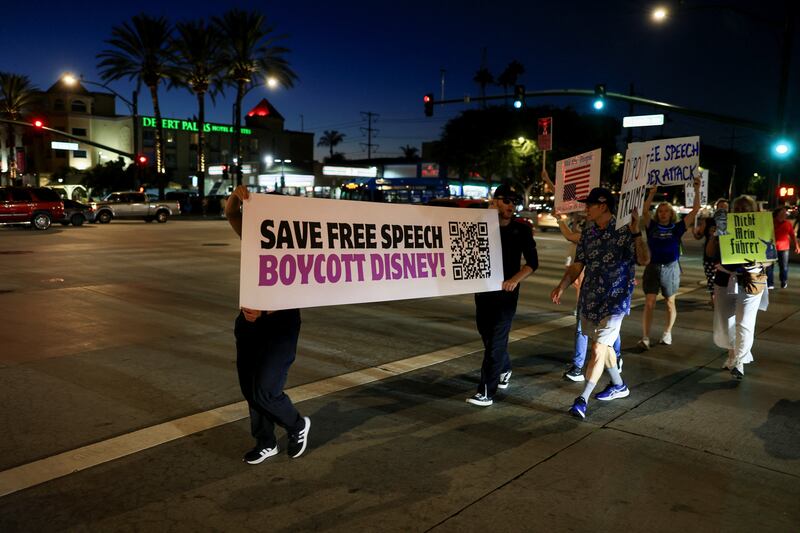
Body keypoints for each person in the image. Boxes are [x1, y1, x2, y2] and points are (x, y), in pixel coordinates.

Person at [225, 186, 311, 464]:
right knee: (250, 389)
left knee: (265, 389)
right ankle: (265, 441)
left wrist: (270, 308)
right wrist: (237, 195)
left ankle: (297, 424)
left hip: (280, 325)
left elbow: (315, 286)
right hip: (248, 323)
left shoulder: (302, 245)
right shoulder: (255, 235)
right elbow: (231, 213)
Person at [551, 188, 649, 419]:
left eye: (590, 205)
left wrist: (636, 231)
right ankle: (618, 385)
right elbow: (578, 264)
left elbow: (644, 259)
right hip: (591, 298)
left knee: (597, 348)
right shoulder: (589, 232)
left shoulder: (626, 229)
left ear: (603, 206)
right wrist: (562, 285)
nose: (586, 208)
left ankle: (582, 400)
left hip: (615, 300)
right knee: (604, 346)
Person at [467, 184, 538, 406]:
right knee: (487, 336)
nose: (511, 206)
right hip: (483, 292)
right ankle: (504, 368)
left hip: (506, 296)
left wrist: (514, 280)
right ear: (495, 201)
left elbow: (532, 263)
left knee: (496, 342)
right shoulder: (480, 226)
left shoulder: (522, 229)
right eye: (506, 201)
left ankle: (486, 392)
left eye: (514, 202)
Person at [707, 195, 770, 379]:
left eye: (746, 209)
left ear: (753, 211)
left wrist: (758, 263)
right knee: (726, 322)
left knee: (744, 322)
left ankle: (739, 362)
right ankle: (732, 354)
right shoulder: (724, 227)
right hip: (725, 278)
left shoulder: (762, 226)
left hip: (751, 279)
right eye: (738, 209)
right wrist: (715, 236)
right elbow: (710, 253)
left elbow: (770, 258)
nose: (742, 212)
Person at [637, 177, 701, 349]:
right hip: (652, 267)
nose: (663, 213)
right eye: (660, 211)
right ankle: (645, 337)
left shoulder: (677, 227)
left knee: (670, 303)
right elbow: (644, 210)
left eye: (666, 211)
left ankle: (667, 332)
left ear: (671, 213)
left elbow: (695, 210)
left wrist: (697, 189)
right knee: (649, 302)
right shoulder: (652, 226)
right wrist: (651, 193)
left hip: (671, 268)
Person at [693, 198, 729, 305]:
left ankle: (720, 299)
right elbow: (699, 236)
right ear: (716, 208)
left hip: (725, 256)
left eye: (725, 207)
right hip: (710, 255)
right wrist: (695, 232)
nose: (722, 209)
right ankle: (713, 298)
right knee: (711, 278)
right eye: (720, 207)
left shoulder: (731, 221)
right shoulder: (708, 221)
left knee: (724, 279)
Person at [766, 206, 800, 289]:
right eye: (782, 213)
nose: (785, 214)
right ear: (777, 214)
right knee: (769, 267)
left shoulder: (788, 224)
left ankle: (783, 281)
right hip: (772, 248)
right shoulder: (770, 222)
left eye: (785, 213)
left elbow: (792, 235)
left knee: (784, 267)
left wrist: (797, 246)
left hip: (784, 248)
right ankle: (770, 283)